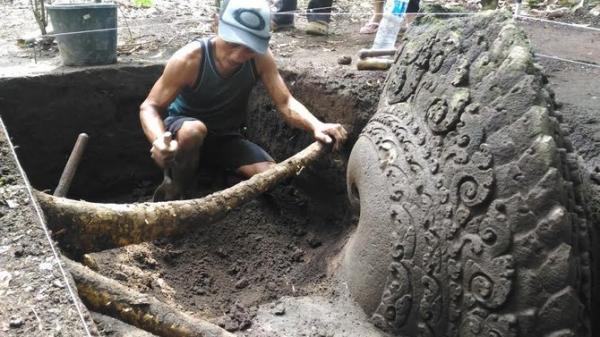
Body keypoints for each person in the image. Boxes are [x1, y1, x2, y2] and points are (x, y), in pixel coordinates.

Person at [140, 0, 347, 201]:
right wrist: (159, 140)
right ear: (216, 23)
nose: (239, 56)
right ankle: (177, 190)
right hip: (183, 135)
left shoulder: (261, 58)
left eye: (249, 47)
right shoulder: (189, 59)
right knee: (194, 130)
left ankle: (219, 176)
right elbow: (150, 106)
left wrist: (316, 125)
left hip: (225, 138)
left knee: (271, 176)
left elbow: (285, 102)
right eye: (232, 43)